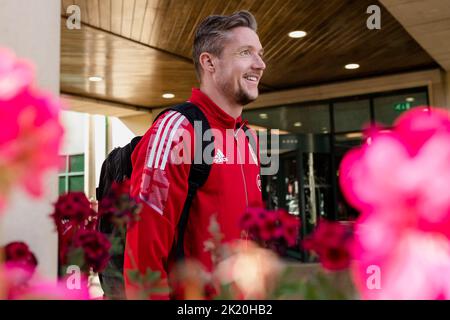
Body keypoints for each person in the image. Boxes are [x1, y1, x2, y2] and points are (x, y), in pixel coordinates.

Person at [124, 10, 266, 299]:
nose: (259, 64)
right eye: (245, 52)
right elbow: (142, 257)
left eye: (260, 54)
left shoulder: (248, 138)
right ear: (209, 62)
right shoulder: (178, 130)